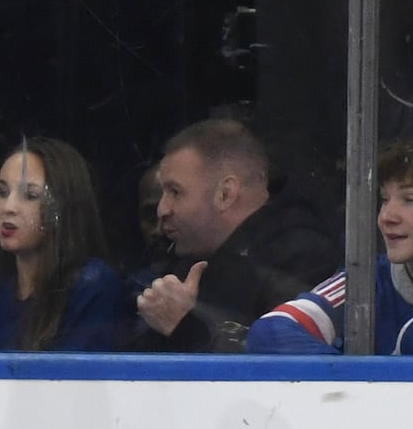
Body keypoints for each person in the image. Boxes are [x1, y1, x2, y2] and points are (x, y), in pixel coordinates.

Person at [130, 118, 339, 353]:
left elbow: (283, 370)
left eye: (175, 192)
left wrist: (185, 328)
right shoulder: (185, 264)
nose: (162, 210)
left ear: (225, 194)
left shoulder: (303, 258)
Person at [248, 136, 413, 355]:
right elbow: (272, 331)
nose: (387, 216)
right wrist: (358, 382)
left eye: (410, 200)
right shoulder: (366, 284)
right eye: (385, 199)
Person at [0, 137, 126, 352]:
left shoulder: (92, 286)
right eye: (2, 192)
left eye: (30, 195)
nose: (8, 207)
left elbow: (75, 380)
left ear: (63, 207)